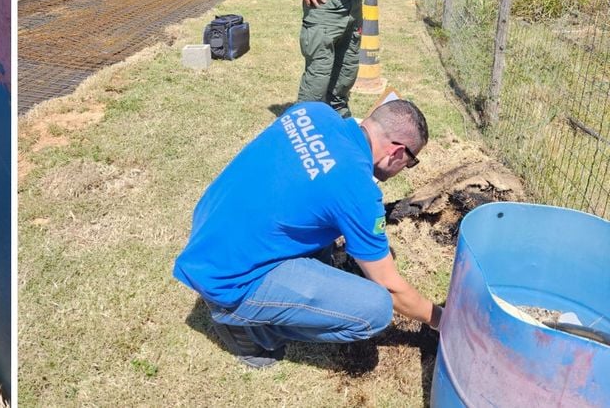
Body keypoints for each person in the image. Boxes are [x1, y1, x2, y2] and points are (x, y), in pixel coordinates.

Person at [172, 99, 443, 368]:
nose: (403, 170)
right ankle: (246, 327)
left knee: (321, 225)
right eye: (410, 163)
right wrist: (440, 319)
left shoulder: (314, 111)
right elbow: (391, 286)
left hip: (210, 231)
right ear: (396, 153)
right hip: (229, 278)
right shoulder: (357, 190)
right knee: (376, 308)